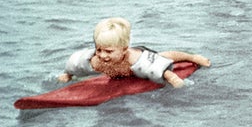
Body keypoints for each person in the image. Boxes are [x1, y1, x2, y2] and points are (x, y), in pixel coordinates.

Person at [57, 17, 211, 88]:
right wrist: (68, 74)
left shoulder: (136, 58)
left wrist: (171, 77)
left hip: (141, 63)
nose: (103, 55)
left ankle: (193, 57)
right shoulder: (96, 60)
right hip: (119, 74)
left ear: (124, 49)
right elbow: (77, 64)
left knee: (163, 57)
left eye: (109, 51)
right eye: (99, 49)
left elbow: (155, 66)